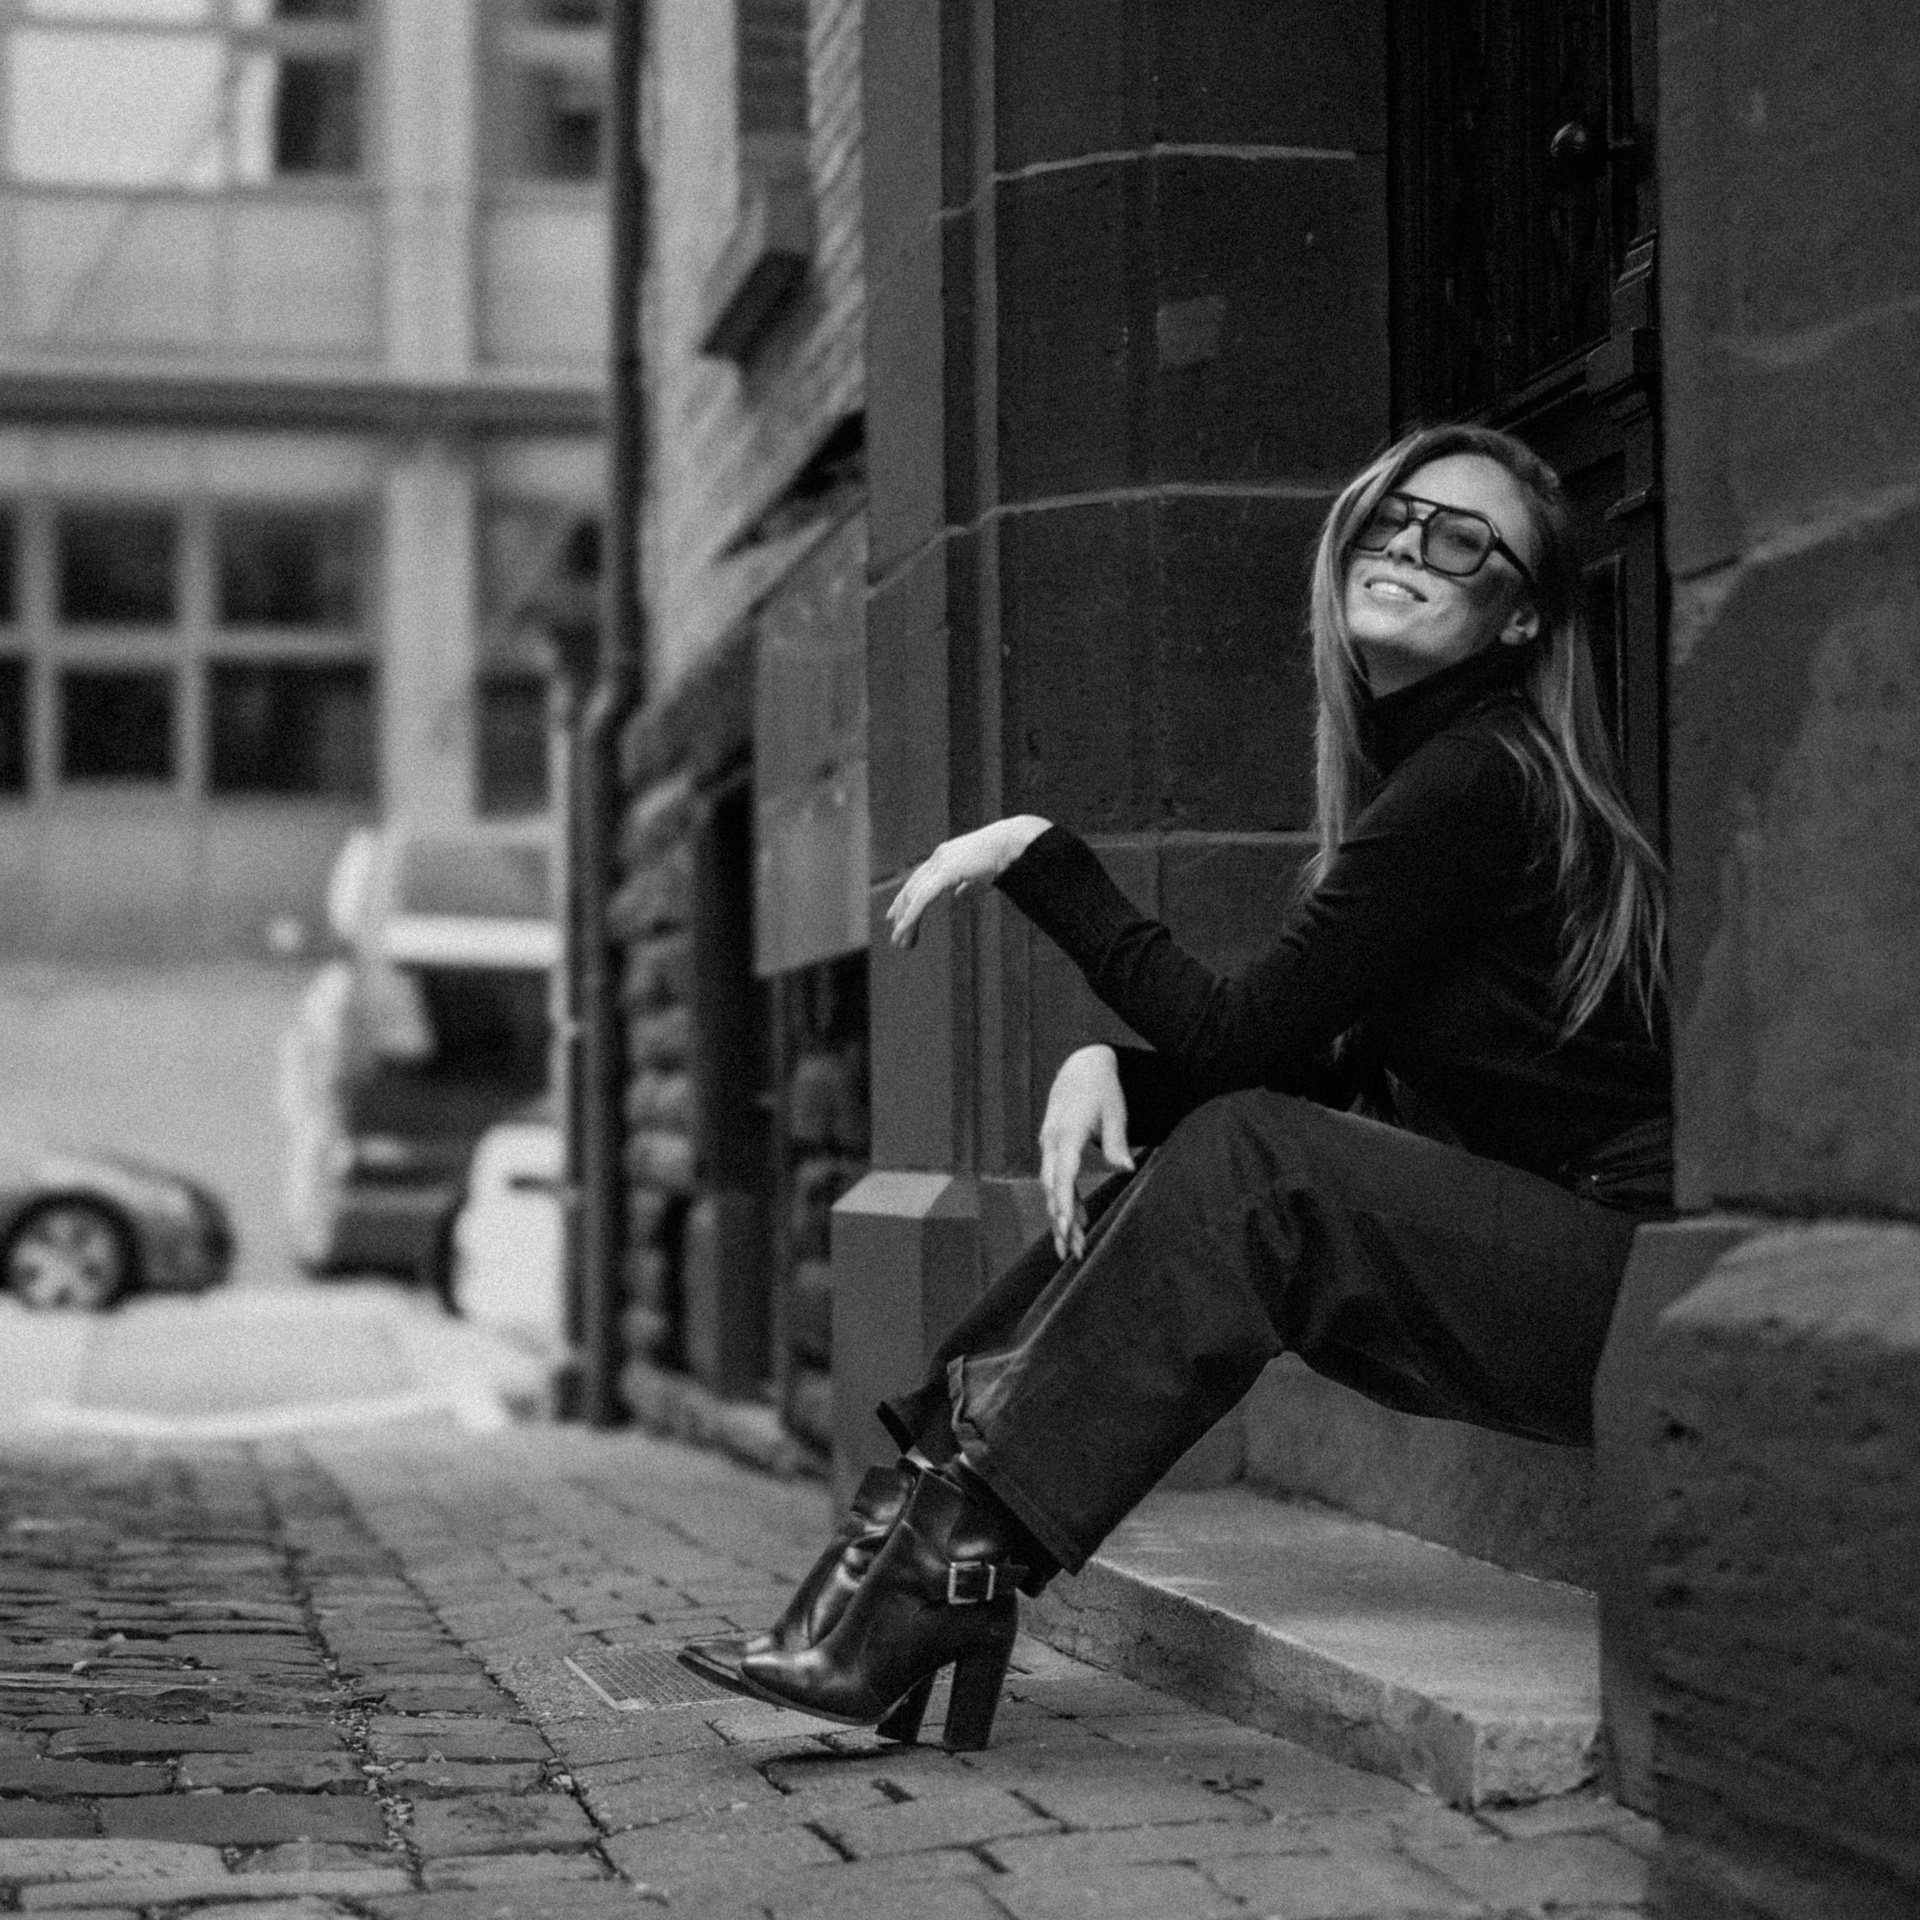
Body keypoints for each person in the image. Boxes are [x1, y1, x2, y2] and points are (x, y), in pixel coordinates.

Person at [680, 422, 1671, 1752]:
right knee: (1212, 1151)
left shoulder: (1481, 778)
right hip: (1560, 1265)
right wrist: (1120, 1077)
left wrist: (1036, 854)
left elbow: (1244, 1048)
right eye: (1388, 518)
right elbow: (1306, 1063)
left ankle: (930, 1582)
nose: (1403, 547)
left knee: (1251, 1158)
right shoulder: (1444, 781)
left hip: (1635, 1284)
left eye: (1457, 541)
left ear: (1521, 618)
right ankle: (887, 1579)